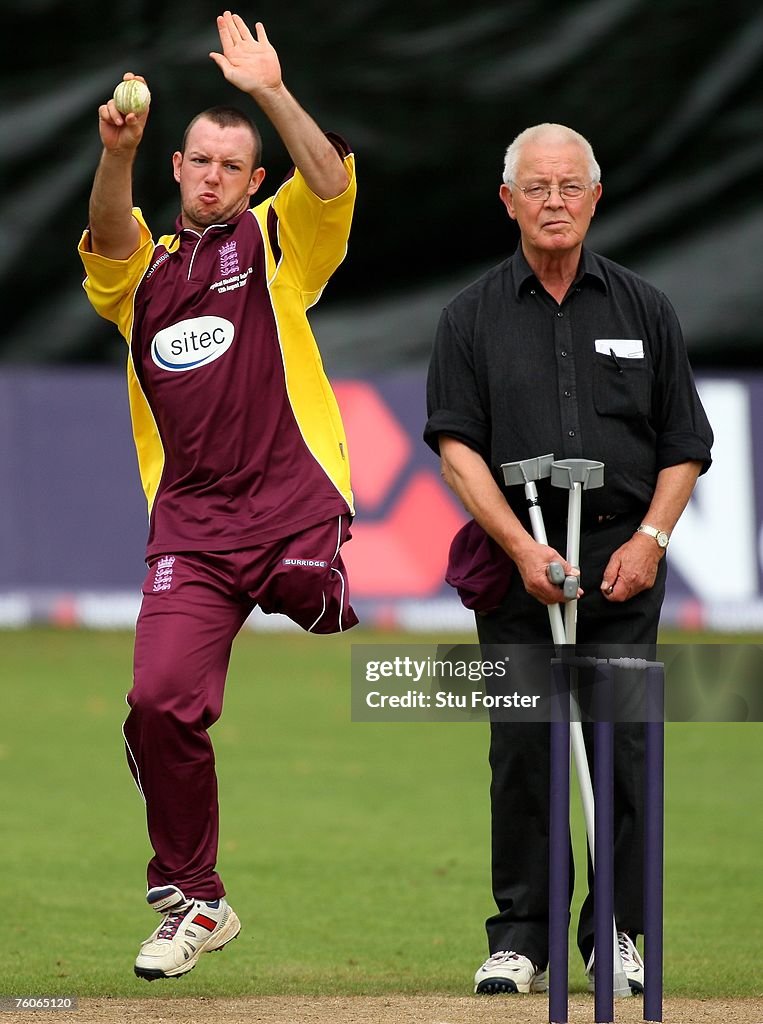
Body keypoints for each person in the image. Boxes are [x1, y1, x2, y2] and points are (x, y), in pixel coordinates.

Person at [78, 11, 357, 980]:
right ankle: (196, 898)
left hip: (288, 504)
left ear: (248, 181)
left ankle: (318, 579)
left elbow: (326, 179)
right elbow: (108, 240)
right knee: (156, 705)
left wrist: (270, 93)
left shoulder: (280, 239)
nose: (208, 175)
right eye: (195, 160)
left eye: (227, 165)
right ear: (179, 167)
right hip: (191, 529)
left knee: (318, 604)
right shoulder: (145, 271)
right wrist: (117, 153)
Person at [424, 123, 712, 997]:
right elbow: (455, 448)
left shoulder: (643, 309)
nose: (554, 201)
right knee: (523, 747)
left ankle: (616, 933)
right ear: (507, 200)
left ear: (594, 197)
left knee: (621, 748)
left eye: (569, 186)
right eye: (536, 187)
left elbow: (683, 444)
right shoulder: (468, 316)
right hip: (519, 562)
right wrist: (518, 546)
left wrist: (649, 542)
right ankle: (520, 936)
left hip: (622, 562)